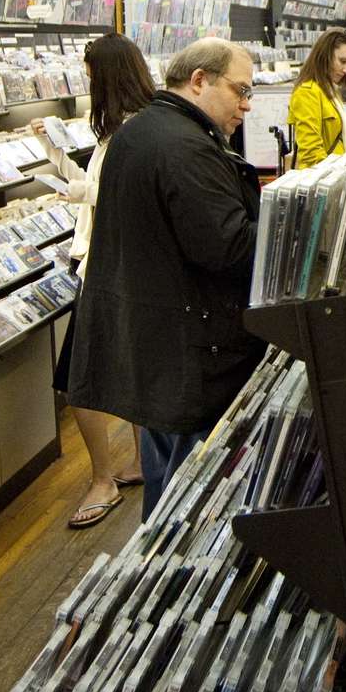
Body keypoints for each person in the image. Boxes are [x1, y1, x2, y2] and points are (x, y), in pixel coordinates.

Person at [67, 38, 265, 519]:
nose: (246, 104)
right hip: (191, 350)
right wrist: (289, 223)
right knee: (189, 496)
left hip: (159, 346)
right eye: (240, 90)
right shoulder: (184, 146)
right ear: (199, 80)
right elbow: (227, 247)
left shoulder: (141, 131)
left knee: (166, 478)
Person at [32, 35, 156, 528]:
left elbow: (111, 193)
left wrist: (78, 190)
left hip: (105, 269)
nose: (88, 84)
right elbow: (94, 185)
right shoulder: (130, 127)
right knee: (129, 369)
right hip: (115, 268)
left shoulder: (131, 132)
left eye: (90, 75)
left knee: (79, 381)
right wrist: (51, 151)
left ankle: (102, 480)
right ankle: (142, 462)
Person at [289, 28, 346, 168]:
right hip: (325, 176)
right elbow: (311, 154)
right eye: (343, 61)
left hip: (338, 171)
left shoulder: (330, 90)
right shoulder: (307, 93)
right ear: (324, 55)